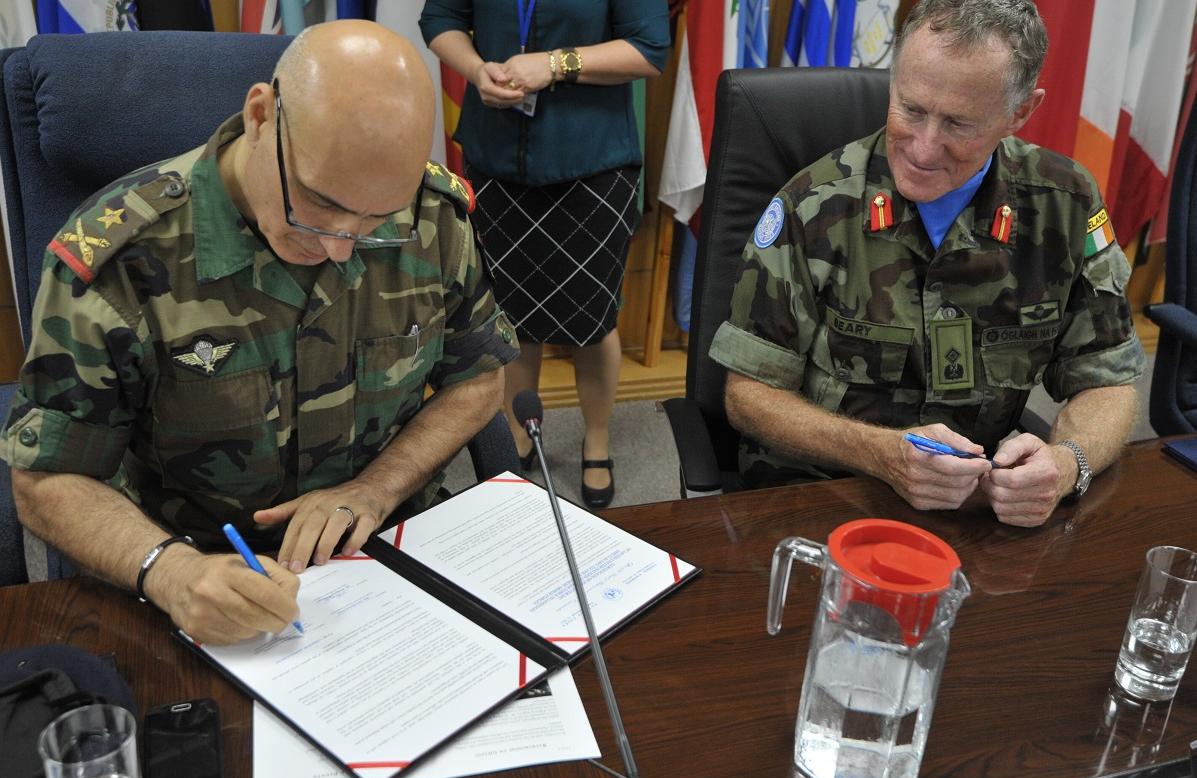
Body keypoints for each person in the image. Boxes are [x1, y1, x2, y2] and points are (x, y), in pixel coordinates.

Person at [1, 21, 518, 644]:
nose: (339, 246)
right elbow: (45, 479)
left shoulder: (431, 216)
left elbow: (478, 380)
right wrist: (170, 572)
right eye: (319, 204)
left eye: (376, 220)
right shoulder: (122, 262)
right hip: (193, 579)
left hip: (386, 559)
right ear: (259, 116)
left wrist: (376, 489)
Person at [710, 0, 1146, 528]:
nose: (923, 148)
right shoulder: (813, 204)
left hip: (975, 513)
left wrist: (1067, 462)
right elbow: (748, 396)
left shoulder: (1065, 205)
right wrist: (880, 453)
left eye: (958, 124)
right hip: (820, 497)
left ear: (1019, 113)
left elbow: (1107, 380)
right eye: (911, 109)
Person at [420, 0, 669, 508]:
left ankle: (596, 439)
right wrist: (477, 70)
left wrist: (556, 64)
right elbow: (440, 19)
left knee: (592, 318)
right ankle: (518, 434)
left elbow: (648, 49)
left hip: (593, 162)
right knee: (509, 313)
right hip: (496, 157)